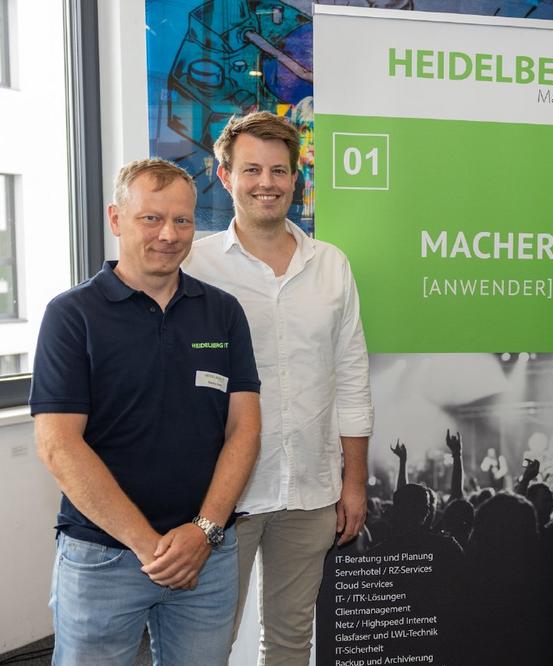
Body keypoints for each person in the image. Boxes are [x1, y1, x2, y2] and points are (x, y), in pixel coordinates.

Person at [30, 158, 262, 665]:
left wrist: (203, 532)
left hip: (206, 556)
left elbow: (244, 429)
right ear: (116, 219)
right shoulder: (72, 316)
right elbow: (58, 446)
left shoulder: (222, 312)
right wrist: (149, 547)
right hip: (103, 556)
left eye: (182, 220)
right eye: (151, 218)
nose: (169, 234)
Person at [184, 111, 373, 664]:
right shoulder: (194, 266)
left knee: (291, 641)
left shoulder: (331, 265)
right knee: (206, 644)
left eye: (278, 171)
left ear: (296, 178)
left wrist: (354, 482)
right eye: (251, 170)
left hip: (311, 488)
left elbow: (352, 377)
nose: (265, 183)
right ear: (225, 176)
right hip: (222, 496)